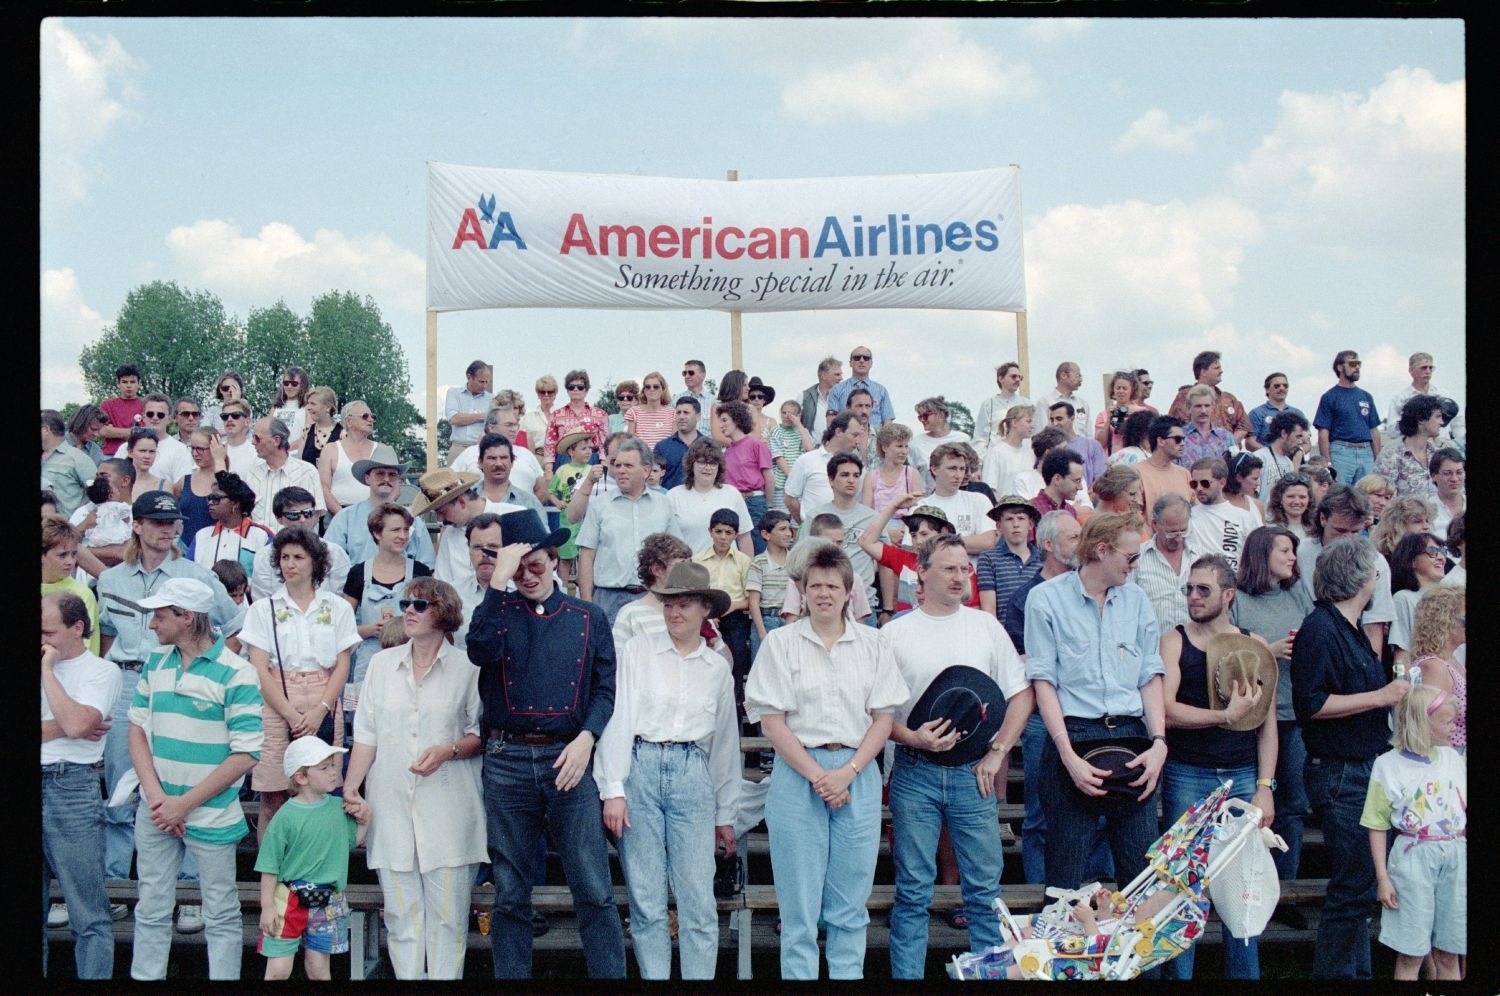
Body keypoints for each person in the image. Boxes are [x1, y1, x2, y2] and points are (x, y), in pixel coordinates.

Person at [466, 510, 626, 979]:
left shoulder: (589, 616)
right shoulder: (498, 612)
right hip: (506, 759)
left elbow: (604, 688)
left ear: (555, 561)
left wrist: (587, 737)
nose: (528, 576)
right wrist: (498, 584)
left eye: (536, 564)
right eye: (518, 568)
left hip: (569, 757)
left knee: (593, 886)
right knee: (511, 891)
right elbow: (479, 649)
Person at [744, 543, 909, 979]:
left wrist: (848, 773)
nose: (823, 593)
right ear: (801, 589)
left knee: (849, 906)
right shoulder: (779, 644)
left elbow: (884, 717)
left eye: (832, 585)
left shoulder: (873, 643)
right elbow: (772, 723)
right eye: (814, 585)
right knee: (798, 912)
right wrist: (821, 776)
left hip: (857, 770)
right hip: (799, 775)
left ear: (848, 591)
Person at [884, 535, 1033, 978]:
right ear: (921, 573)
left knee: (984, 893)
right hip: (915, 773)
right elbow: (874, 712)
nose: (959, 575)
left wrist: (998, 752)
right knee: (912, 892)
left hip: (974, 774)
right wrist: (912, 737)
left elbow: (1021, 696)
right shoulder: (894, 633)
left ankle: (988, 976)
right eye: (948, 568)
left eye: (964, 567)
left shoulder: (986, 626)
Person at [595, 562, 739, 980]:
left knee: (697, 898)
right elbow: (618, 718)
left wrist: (725, 813)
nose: (675, 612)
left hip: (692, 770)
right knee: (646, 897)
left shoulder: (717, 668)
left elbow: (725, 744)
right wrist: (613, 787)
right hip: (639, 764)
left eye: (686, 603)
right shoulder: (638, 650)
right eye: (669, 603)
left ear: (705, 610)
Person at [95, 492, 243, 887]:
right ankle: (116, 880)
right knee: (122, 778)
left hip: (182, 678)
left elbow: (234, 629)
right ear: (137, 525)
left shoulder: (196, 575)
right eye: (157, 522)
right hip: (128, 678)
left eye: (171, 521)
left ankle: (190, 885)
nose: (167, 529)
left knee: (187, 776)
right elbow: (106, 638)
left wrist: (203, 671)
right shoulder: (110, 579)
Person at [343, 578, 487, 979]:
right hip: (389, 803)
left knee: (447, 920)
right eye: (406, 602)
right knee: (400, 916)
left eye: (420, 605)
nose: (408, 610)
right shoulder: (380, 665)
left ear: (444, 613)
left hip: (449, 805)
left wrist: (448, 751)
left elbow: (480, 735)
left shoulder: (468, 668)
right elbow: (366, 734)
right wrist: (352, 788)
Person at [127, 577, 263, 981]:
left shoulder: (238, 673)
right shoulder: (156, 661)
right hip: (157, 809)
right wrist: (158, 799)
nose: (152, 624)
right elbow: (136, 730)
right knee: (149, 906)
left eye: (160, 615)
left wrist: (180, 805)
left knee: (220, 911)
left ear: (187, 618)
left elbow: (246, 754)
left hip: (206, 814)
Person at [1024, 511, 1168, 892]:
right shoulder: (1046, 600)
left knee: (1141, 878)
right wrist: (1067, 755)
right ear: (1101, 550)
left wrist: (1159, 743)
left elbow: (1150, 675)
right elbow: (1043, 681)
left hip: (1132, 734)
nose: (1134, 567)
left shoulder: (1137, 600)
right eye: (1130, 558)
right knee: (1066, 879)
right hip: (1074, 731)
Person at [1292, 535, 1410, 978]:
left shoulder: (1350, 628)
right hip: (1340, 771)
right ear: (1360, 578)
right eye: (1375, 572)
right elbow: (1312, 704)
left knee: (1359, 890)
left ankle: (1355, 974)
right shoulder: (1321, 628)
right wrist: (1381, 695)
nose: (1379, 579)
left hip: (1361, 766)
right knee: (1351, 888)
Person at [1158, 555, 1277, 980]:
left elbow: (1267, 725)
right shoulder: (1174, 640)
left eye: (1203, 589)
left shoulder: (1253, 642)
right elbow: (1165, 711)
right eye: (1189, 588)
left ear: (1228, 595)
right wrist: (1224, 717)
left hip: (1242, 775)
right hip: (1186, 773)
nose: (1192, 596)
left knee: (1242, 889)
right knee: (1182, 888)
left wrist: (1265, 785)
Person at [239, 527, 358, 842]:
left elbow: (342, 662)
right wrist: (291, 715)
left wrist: (321, 709)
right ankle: (274, 875)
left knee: (321, 790)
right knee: (273, 796)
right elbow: (258, 667)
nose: (290, 564)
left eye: (298, 557)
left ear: (314, 563)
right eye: (284, 557)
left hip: (323, 693)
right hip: (277, 696)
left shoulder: (337, 607)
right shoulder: (264, 609)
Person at [1231, 526, 1315, 897]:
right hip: (1251, 720)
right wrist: (1270, 652)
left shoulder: (1297, 592)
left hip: (1293, 717)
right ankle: (1244, 889)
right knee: (1247, 804)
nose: (1292, 557)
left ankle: (1286, 889)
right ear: (1262, 553)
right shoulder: (1238, 599)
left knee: (1293, 806)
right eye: (1284, 550)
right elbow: (1227, 657)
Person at [1361, 684, 1465, 981]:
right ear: (1423, 724)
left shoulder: (1453, 759)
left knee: (1449, 952)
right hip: (1412, 862)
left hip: (1454, 859)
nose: (1453, 728)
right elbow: (1376, 824)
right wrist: (1383, 878)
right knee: (1412, 953)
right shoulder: (1387, 765)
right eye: (1447, 722)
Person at [41, 591, 120, 980]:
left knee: (87, 912)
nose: (42, 640)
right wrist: (74, 723)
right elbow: (74, 724)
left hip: (70, 784)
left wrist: (46, 672)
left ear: (77, 628)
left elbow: (76, 726)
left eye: (48, 632)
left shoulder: (102, 671)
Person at [255, 736, 369, 981]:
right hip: (288, 901)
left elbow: (353, 840)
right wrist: (267, 906)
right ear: (301, 777)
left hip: (328, 900)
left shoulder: (339, 808)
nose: (333, 772)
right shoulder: (284, 817)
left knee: (319, 968)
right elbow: (269, 866)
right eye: (324, 767)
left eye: (333, 765)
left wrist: (365, 819)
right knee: (279, 969)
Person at [343, 501, 434, 720]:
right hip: (369, 658)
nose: (402, 536)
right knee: (367, 719)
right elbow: (342, 625)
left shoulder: (420, 572)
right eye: (395, 530)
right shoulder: (358, 573)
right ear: (376, 533)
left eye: (405, 530)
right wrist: (369, 629)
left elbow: (432, 619)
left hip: (412, 656)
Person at [1297, 485, 1397, 659]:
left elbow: (1373, 627)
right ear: (1323, 519)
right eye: (1340, 531)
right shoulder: (1300, 552)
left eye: (1355, 532)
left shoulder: (1375, 562)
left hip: (1352, 654)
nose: (1348, 539)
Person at [797, 452, 879, 615]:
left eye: (856, 476)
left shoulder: (873, 517)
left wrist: (888, 608)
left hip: (863, 605)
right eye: (845, 475)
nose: (851, 480)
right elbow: (801, 562)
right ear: (831, 479)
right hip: (824, 604)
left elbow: (884, 563)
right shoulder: (814, 516)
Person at [323, 456, 434, 568]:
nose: (386, 479)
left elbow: (426, 565)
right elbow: (330, 561)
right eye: (380, 473)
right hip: (356, 583)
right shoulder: (345, 518)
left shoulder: (412, 519)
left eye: (392, 475)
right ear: (367, 478)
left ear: (398, 480)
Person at [694, 508, 754, 709]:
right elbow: (695, 594)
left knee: (735, 662)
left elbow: (750, 598)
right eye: (718, 532)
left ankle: (734, 705)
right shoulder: (698, 560)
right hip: (705, 619)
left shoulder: (743, 561)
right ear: (710, 531)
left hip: (734, 618)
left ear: (736, 534)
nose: (723, 537)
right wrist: (708, 615)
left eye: (728, 533)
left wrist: (731, 606)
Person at [251, 486, 353, 602]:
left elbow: (342, 597)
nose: (303, 520)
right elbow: (262, 600)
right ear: (279, 518)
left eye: (308, 513)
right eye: (294, 515)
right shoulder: (264, 555)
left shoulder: (334, 551)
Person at [1405, 585, 1466, 753]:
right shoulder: (1433, 667)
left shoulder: (1451, 661)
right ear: (1443, 621)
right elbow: (1434, 727)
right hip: (1448, 756)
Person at [667, 436, 752, 556]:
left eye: (712, 463)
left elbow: (744, 537)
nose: (708, 468)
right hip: (688, 570)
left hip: (727, 571)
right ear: (691, 464)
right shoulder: (673, 496)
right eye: (702, 462)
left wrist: (749, 571)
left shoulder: (732, 494)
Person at [611, 532, 695, 648]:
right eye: (681, 566)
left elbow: (721, 656)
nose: (688, 572)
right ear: (656, 570)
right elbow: (620, 661)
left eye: (689, 564)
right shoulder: (630, 614)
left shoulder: (694, 607)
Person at [1315, 349, 1382, 486]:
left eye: (1359, 364)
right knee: (1340, 495)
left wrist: (1378, 458)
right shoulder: (1329, 397)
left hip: (1366, 452)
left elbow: (1374, 430)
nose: (1357, 367)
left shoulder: (1366, 396)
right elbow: (1323, 433)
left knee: (1366, 496)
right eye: (1352, 364)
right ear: (1340, 367)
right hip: (1341, 452)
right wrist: (1327, 462)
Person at [245, 416, 327, 527]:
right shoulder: (252, 473)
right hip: (259, 542)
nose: (253, 442)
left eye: (257, 438)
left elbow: (315, 515)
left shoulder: (306, 472)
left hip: (295, 541)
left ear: (276, 440)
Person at [188, 470, 274, 574]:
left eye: (216, 498)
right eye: (209, 498)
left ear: (235, 503)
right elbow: (189, 572)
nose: (210, 503)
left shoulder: (262, 535)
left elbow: (270, 575)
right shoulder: (201, 536)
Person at [1132, 494, 1195, 632]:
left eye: (1183, 531)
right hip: (1152, 647)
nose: (1178, 539)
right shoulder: (1137, 558)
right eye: (1171, 533)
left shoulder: (1200, 557)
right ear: (1155, 524)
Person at [719, 400, 776, 553]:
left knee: (758, 545)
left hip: (754, 502)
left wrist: (766, 504)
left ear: (736, 420)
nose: (721, 425)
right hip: (733, 502)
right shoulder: (726, 451)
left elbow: (769, 477)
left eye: (724, 420)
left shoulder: (756, 445)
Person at [1386, 532, 1448, 672]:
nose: (1441, 557)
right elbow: (1401, 653)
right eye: (1432, 551)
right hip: (1426, 684)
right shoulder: (1404, 599)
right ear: (1412, 561)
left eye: (1442, 551)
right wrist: (1404, 689)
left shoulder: (1450, 598)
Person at [924, 442, 1000, 555]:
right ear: (934, 470)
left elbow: (988, 542)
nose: (959, 475)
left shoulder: (979, 499)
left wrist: (938, 541)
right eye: (952, 468)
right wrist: (969, 541)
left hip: (973, 571)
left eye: (962, 469)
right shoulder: (922, 506)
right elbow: (917, 549)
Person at [976, 495, 1043, 622]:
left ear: (1031, 524)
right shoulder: (988, 559)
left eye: (1021, 518)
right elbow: (989, 610)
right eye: (1009, 519)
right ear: (999, 526)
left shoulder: (1043, 558)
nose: (1016, 524)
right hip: (1005, 635)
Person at [784, 411, 859, 524]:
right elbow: (789, 498)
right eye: (854, 435)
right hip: (814, 535)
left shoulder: (855, 466)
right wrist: (806, 525)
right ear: (838, 432)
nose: (858, 441)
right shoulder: (807, 460)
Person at [1186, 457, 1259, 572]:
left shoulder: (1244, 518)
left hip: (1234, 583)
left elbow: (1255, 558)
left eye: (1205, 483)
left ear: (1222, 483)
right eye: (1194, 484)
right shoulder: (1187, 516)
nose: (1199, 488)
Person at [1164, 350, 1252, 444]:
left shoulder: (1229, 399)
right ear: (1203, 372)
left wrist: (1228, 444)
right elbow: (1170, 426)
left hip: (1226, 456)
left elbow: (1244, 425)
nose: (1221, 371)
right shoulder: (1184, 397)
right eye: (1216, 368)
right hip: (1193, 455)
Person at [42, 515, 101, 653]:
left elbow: (86, 647)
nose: (70, 561)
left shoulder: (82, 594)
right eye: (62, 555)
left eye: (73, 554)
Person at [1374, 394, 1445, 500]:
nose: (1442, 422)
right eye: (1438, 416)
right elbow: (1382, 500)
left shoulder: (1439, 455)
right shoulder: (1391, 457)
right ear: (1421, 419)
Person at [543, 368, 609, 474]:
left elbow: (603, 443)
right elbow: (550, 444)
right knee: (564, 488)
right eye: (571, 387)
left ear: (586, 390)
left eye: (580, 387)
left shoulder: (601, 415)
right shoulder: (556, 415)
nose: (575, 389)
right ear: (567, 390)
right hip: (564, 458)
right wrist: (549, 470)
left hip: (591, 458)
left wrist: (604, 464)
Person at [748, 510, 794, 656]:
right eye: (782, 529)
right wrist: (762, 633)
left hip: (790, 620)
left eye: (789, 529)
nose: (788, 533)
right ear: (766, 534)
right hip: (766, 620)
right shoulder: (758, 562)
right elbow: (753, 602)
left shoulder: (796, 560)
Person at [42, 409, 100, 518]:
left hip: (66, 530)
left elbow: (98, 496)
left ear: (46, 429)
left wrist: (78, 524)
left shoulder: (79, 459)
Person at [1135, 415, 1193, 518]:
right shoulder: (1136, 473)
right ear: (1160, 441)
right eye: (1178, 439)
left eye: (1183, 439)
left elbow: (1194, 510)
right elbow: (1133, 516)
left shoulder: (1184, 474)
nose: (1183, 444)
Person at [1382, 352, 1445, 445]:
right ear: (1411, 370)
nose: (1428, 371)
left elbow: (1458, 424)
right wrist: (1410, 420)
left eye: (1431, 368)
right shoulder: (1401, 398)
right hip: (1413, 448)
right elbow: (1392, 431)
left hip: (1440, 446)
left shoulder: (1442, 395)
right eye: (1423, 367)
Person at [826, 344, 895, 428]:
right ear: (850, 363)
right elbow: (831, 421)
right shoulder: (836, 390)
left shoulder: (881, 391)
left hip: (874, 438)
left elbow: (887, 422)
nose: (861, 360)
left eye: (866, 358)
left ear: (871, 363)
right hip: (846, 438)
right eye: (857, 357)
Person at [908, 396, 970, 489]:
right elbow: (912, 476)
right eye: (919, 417)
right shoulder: (915, 443)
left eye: (925, 416)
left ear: (941, 415)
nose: (922, 420)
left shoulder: (962, 439)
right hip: (928, 498)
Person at [974, 361, 1031, 457]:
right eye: (1013, 376)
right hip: (996, 457)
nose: (1017, 380)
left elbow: (1033, 433)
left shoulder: (1027, 404)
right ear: (1001, 378)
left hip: (1022, 456)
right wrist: (983, 461)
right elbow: (980, 438)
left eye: (1019, 377)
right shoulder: (988, 404)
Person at [1047, 401, 1106, 487]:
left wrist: (1092, 494)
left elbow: (1101, 475)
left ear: (1072, 418)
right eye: (1052, 420)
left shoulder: (1091, 445)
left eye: (1059, 419)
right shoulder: (1049, 448)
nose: (1055, 423)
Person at [1256, 409, 1312, 501]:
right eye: (1298, 436)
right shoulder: (1260, 458)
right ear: (1284, 433)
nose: (1301, 442)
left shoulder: (1289, 463)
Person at [1175, 384, 1235, 469]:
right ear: (1189, 407)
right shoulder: (1179, 437)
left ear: (1213, 407)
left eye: (1207, 406)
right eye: (1198, 406)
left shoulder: (1227, 438)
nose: (1203, 411)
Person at [444, 359, 493, 462]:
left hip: (481, 448)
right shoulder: (453, 393)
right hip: (457, 448)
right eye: (481, 381)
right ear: (469, 376)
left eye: (486, 382)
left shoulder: (492, 399)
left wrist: (466, 417)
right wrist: (482, 416)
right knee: (453, 478)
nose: (484, 386)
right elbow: (454, 419)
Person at [652, 396, 704, 493]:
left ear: (698, 416)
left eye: (686, 413)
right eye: (678, 413)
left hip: (701, 501)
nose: (681, 417)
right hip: (669, 502)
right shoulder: (662, 447)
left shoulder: (708, 446)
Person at [981, 404, 1036, 494]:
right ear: (1014, 423)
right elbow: (990, 489)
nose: (1032, 426)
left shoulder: (1031, 452)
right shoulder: (996, 452)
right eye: (1028, 421)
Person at [1247, 371, 1306, 451]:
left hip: (1293, 461)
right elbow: (1249, 443)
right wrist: (1272, 454)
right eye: (1277, 386)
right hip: (1266, 461)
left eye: (1285, 386)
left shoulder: (1297, 413)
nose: (1282, 388)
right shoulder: (1256, 413)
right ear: (1267, 389)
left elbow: (1306, 442)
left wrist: (1300, 453)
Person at [1094, 370, 1148, 455]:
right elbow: (1100, 443)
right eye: (1118, 388)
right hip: (1112, 460)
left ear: (1132, 390)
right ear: (1113, 390)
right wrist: (1109, 420)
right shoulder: (1103, 414)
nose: (1121, 391)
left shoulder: (1142, 412)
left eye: (1125, 388)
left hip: (1135, 458)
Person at [1035, 361, 1090, 440]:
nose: (1080, 379)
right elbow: (1040, 433)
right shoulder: (1045, 402)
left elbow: (1088, 434)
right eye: (1078, 375)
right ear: (1063, 375)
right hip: (1057, 450)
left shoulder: (1082, 404)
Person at [98, 363, 145, 456]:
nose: (128, 385)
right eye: (124, 382)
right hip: (111, 455)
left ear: (139, 383)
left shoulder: (146, 405)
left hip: (138, 455)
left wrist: (114, 431)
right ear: (118, 383)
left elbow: (148, 432)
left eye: (132, 382)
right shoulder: (107, 405)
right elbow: (102, 431)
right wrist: (133, 432)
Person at [1369, 495, 1435, 559]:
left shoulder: (1434, 558)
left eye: (1427, 521)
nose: (1426, 526)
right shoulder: (1379, 559)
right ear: (1397, 525)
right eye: (1417, 521)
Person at [623, 369, 675, 448]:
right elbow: (630, 441)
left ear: (663, 389)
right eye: (647, 387)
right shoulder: (633, 412)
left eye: (656, 387)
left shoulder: (673, 413)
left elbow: (674, 441)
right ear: (644, 390)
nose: (652, 389)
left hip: (665, 457)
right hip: (641, 457)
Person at [293, 386, 342, 467]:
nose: (308, 408)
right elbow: (300, 463)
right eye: (308, 404)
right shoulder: (306, 431)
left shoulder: (342, 433)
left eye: (313, 404)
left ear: (328, 407)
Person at [799, 355, 844, 435]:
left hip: (838, 446)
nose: (841, 378)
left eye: (840, 374)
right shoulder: (804, 397)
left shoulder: (845, 398)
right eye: (837, 374)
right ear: (824, 376)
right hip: (812, 447)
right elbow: (794, 426)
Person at [1428, 448, 1465, 539]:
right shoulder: (1426, 510)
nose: (1454, 479)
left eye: (1459, 472)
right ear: (1433, 476)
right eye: (1447, 473)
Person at [1268, 473, 1316, 540]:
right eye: (1291, 496)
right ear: (1280, 499)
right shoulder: (1269, 530)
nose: (1297, 502)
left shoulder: (1316, 531)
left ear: (1309, 500)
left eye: (1302, 497)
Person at [1223, 450, 1266, 525]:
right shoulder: (1217, 501)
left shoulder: (1258, 506)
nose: (1258, 484)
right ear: (1239, 477)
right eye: (1254, 479)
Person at [219, 398, 257, 472]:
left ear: (247, 421)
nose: (229, 419)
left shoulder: (256, 453)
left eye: (235, 415)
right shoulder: (216, 451)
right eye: (225, 416)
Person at [126, 427, 163, 499]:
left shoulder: (164, 485)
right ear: (130, 452)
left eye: (152, 451)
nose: (147, 456)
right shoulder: (119, 483)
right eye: (142, 451)